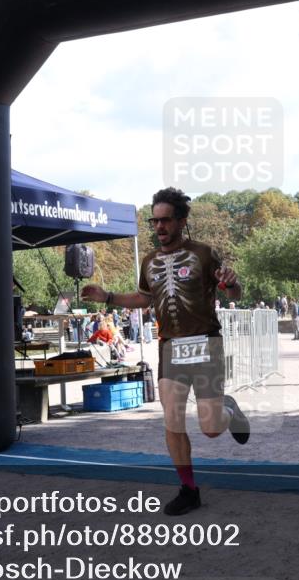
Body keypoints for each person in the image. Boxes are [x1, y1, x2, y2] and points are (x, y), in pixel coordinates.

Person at [81, 187, 249, 516]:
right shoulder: (149, 261)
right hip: (171, 347)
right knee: (172, 420)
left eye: (166, 220)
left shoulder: (204, 253)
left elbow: (235, 293)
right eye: (154, 221)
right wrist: (108, 297)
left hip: (206, 343)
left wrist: (231, 283)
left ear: (182, 221)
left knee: (211, 428)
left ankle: (228, 409)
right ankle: (189, 490)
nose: (159, 227)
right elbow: (145, 298)